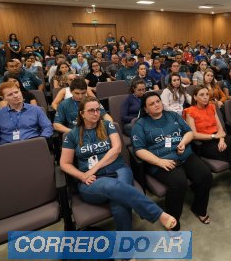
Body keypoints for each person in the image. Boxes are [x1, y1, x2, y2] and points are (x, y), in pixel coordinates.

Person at [60, 96, 177, 234]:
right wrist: (82, 175)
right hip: (92, 180)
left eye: (98, 110)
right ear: (82, 113)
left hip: (118, 168)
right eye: (91, 110)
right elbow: (64, 163)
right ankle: (158, 214)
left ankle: (125, 248)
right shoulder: (72, 135)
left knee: (119, 201)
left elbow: (116, 149)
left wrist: (95, 168)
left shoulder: (108, 125)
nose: (96, 113)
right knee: (114, 187)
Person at [132, 92, 213, 230]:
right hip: (162, 160)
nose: (157, 105)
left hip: (184, 154)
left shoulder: (173, 115)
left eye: (158, 101)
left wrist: (183, 142)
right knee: (179, 183)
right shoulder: (140, 124)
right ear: (145, 109)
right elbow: (139, 150)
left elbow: (189, 132)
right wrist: (159, 161)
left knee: (205, 175)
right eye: (151, 104)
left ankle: (199, 208)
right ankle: (173, 218)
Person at [184, 85, 231, 202]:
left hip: (218, 138)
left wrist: (221, 139)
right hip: (204, 143)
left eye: (207, 94)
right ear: (195, 97)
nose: (205, 97)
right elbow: (194, 135)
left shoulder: (212, 107)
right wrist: (214, 136)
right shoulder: (189, 111)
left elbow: (220, 128)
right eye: (201, 95)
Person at [0, 82, 52, 146]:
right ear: (3, 98)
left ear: (20, 91)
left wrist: (41, 141)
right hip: (8, 149)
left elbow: (47, 127)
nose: (15, 96)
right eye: (10, 94)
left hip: (33, 145)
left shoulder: (36, 110)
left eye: (16, 92)